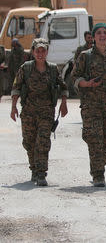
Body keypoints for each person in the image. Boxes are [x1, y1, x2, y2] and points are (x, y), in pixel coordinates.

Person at [71, 23, 106, 187]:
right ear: (94, 37)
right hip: (91, 106)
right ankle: (98, 174)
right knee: (95, 139)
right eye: (99, 33)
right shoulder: (85, 56)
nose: (102, 36)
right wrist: (86, 84)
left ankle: (98, 166)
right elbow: (74, 77)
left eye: (105, 33)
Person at [10, 38, 68, 186]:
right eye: (38, 50)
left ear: (47, 52)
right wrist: (13, 107)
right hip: (28, 112)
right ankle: (34, 169)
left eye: (43, 50)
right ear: (33, 52)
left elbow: (63, 86)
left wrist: (64, 104)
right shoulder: (26, 68)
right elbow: (16, 87)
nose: (40, 53)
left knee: (42, 141)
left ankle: (41, 173)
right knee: (29, 142)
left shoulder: (53, 69)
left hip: (46, 112)